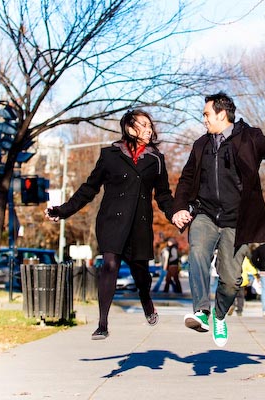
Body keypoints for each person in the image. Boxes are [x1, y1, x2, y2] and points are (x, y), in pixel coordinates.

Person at [171, 92, 265, 347]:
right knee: (198, 252)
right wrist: (179, 208)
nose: (204, 119)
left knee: (231, 280)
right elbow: (186, 179)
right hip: (204, 214)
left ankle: (219, 314)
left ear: (221, 114)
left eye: (206, 114)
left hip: (237, 221)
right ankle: (201, 310)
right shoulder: (201, 144)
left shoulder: (250, 138)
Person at [45, 109, 174, 340]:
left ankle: (146, 300)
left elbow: (163, 195)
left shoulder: (156, 159)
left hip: (139, 224)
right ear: (130, 128)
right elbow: (89, 188)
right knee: (110, 264)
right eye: (143, 125)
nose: (149, 129)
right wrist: (63, 211)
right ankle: (102, 323)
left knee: (140, 273)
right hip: (111, 220)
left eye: (150, 125)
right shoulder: (110, 155)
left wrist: (176, 214)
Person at [228, 251, 259, 317]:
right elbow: (251, 268)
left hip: (232, 279)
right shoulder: (245, 260)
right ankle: (239, 310)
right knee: (240, 297)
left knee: (231, 295)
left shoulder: (231, 258)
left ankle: (232, 305)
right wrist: (256, 274)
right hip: (242, 281)